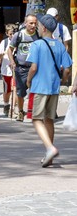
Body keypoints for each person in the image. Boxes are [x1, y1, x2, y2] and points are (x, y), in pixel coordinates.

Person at [27, 14, 72, 167]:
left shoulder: (37, 45)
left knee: (36, 119)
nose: (37, 28)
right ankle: (49, 156)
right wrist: (63, 80)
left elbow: (33, 67)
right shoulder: (60, 45)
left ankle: (50, 148)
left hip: (40, 86)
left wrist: (28, 81)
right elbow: (67, 69)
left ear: (43, 28)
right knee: (49, 120)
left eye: (38, 25)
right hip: (54, 87)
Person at [7, 14, 39, 122]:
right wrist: (12, 61)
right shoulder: (19, 35)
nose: (33, 25)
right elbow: (10, 50)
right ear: (25, 23)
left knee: (35, 91)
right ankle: (20, 111)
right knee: (20, 92)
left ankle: (33, 112)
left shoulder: (39, 35)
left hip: (35, 68)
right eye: (31, 23)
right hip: (21, 68)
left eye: (35, 23)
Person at [0, 24, 16, 116]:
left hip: (15, 70)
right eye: (11, 34)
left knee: (15, 88)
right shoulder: (4, 43)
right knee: (7, 90)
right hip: (6, 70)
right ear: (7, 34)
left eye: (14, 33)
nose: (13, 36)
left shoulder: (18, 41)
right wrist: (3, 53)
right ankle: (6, 104)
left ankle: (13, 108)